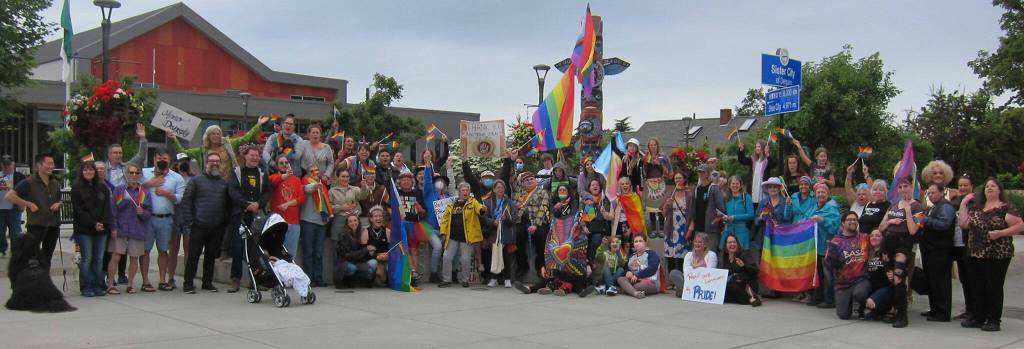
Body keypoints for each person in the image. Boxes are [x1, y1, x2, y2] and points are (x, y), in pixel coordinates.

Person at [958, 178, 1023, 332]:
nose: (990, 188)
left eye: (993, 186)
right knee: (977, 286)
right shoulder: (977, 207)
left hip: (997, 254)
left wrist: (1001, 233)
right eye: (987, 186)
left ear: (999, 190)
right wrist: (963, 204)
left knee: (993, 286)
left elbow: (1020, 224)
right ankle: (978, 317)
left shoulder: (1004, 208)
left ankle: (993, 319)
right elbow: (964, 224)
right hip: (975, 253)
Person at [180, 152, 233, 294]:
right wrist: (190, 221)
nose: (215, 163)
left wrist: (224, 222)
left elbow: (227, 205)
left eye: (217, 161)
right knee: (193, 256)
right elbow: (186, 201)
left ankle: (207, 282)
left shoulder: (224, 183)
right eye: (212, 161)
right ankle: (188, 283)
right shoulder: (196, 181)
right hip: (198, 226)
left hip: (216, 227)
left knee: (210, 257)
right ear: (206, 163)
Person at [877, 177, 925, 327]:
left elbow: (913, 230)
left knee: (899, 277)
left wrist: (908, 210)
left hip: (904, 244)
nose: (903, 189)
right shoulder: (893, 205)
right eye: (900, 187)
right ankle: (893, 310)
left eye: (906, 186)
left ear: (912, 188)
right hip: (888, 244)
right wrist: (890, 222)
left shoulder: (919, 207)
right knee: (890, 277)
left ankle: (902, 316)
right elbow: (881, 227)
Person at [139, 148, 186, 293]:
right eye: (159, 158)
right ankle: (146, 281)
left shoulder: (177, 178)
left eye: (164, 158)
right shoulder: (144, 173)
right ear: (154, 159)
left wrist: (165, 193)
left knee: (163, 250)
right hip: (148, 218)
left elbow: (180, 199)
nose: (161, 161)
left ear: (169, 160)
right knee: (145, 251)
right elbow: (134, 186)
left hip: (166, 219)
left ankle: (162, 280)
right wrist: (150, 184)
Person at [226, 145, 271, 292]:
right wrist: (246, 204)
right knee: (238, 248)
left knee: (256, 250)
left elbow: (267, 192)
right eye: (252, 155)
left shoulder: (263, 173)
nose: (255, 158)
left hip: (256, 216)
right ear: (245, 156)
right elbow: (232, 191)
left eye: (257, 155)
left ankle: (256, 280)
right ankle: (235, 279)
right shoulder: (236, 172)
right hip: (240, 215)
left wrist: (258, 203)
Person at [5, 153, 62, 270]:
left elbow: (59, 200)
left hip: (53, 224)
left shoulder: (55, 182)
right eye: (49, 163)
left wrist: (59, 204)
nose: (52, 166)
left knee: (47, 256)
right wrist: (28, 204)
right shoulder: (29, 181)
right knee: (32, 256)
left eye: (53, 163)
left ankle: (44, 282)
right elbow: (10, 196)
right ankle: (30, 282)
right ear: (39, 165)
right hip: (36, 224)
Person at [172, 115, 269, 177]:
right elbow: (183, 152)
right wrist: (174, 139)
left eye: (218, 133)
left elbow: (245, 138)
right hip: (210, 183)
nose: (216, 135)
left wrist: (258, 125)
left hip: (228, 182)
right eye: (213, 133)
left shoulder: (229, 144)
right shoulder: (201, 150)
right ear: (208, 136)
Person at [107, 163, 152, 294]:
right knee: (116, 256)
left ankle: (130, 284)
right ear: (127, 175)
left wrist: (142, 212)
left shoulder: (145, 193)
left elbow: (149, 213)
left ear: (140, 175)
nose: (133, 175)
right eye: (131, 173)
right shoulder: (120, 190)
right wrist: (113, 227)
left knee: (134, 257)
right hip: (120, 229)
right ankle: (110, 284)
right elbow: (113, 210)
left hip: (137, 229)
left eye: (136, 173)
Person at [71, 161, 112, 297]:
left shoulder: (102, 188)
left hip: (102, 229)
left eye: (91, 170)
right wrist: (93, 223)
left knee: (99, 258)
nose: (88, 172)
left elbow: (107, 208)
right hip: (85, 230)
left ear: (95, 172)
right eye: (85, 170)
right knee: (87, 258)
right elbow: (79, 211)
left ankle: (97, 285)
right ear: (81, 173)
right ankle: (86, 286)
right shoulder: (76, 189)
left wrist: (103, 223)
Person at [920, 184, 957, 322]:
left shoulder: (946, 206)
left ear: (942, 192)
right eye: (929, 193)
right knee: (932, 281)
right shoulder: (934, 207)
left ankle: (942, 312)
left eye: (933, 193)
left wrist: (925, 220)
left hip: (940, 251)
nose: (930, 195)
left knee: (940, 282)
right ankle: (935, 309)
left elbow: (944, 225)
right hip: (930, 249)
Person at [824, 212, 871, 320]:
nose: (853, 221)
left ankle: (862, 307)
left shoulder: (864, 238)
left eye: (855, 219)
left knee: (860, 293)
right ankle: (849, 303)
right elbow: (828, 266)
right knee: (843, 315)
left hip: (861, 280)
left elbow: (879, 242)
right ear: (843, 223)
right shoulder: (836, 242)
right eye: (849, 219)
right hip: (843, 284)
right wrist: (830, 253)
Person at [439, 182, 486, 288]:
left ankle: (465, 280)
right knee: (446, 257)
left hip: (466, 236)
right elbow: (445, 220)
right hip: (452, 236)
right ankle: (446, 280)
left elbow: (479, 208)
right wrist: (443, 232)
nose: (465, 192)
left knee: (465, 259)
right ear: (459, 192)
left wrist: (482, 209)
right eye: (463, 190)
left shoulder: (473, 202)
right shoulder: (451, 204)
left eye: (467, 190)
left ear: (469, 192)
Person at [807, 182, 841, 309]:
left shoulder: (832, 208)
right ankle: (818, 296)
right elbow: (807, 220)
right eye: (818, 192)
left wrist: (823, 220)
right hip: (815, 246)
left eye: (823, 192)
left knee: (828, 275)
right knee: (819, 274)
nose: (820, 194)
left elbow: (834, 228)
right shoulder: (814, 206)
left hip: (827, 246)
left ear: (828, 194)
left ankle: (830, 299)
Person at [394, 170, 431, 285]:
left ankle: (413, 273)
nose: (406, 182)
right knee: (402, 250)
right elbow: (390, 208)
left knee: (413, 250)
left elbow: (424, 211)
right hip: (400, 226)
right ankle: (403, 273)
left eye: (408, 180)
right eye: (403, 180)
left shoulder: (417, 193)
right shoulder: (396, 193)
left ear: (412, 182)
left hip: (413, 225)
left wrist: (421, 209)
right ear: (400, 182)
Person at [514, 172, 551, 282]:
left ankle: (540, 268)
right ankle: (522, 266)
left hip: (538, 222)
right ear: (523, 184)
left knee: (540, 237)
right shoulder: (520, 194)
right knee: (516, 235)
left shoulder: (543, 192)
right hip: (522, 221)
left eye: (531, 179)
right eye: (526, 180)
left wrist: (535, 224)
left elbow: (543, 209)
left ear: (535, 181)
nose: (529, 181)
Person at [299, 163, 332, 287]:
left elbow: (326, 203)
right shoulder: (305, 181)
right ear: (307, 172)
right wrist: (315, 185)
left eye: (317, 171)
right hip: (308, 220)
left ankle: (318, 277)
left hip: (321, 222)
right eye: (312, 170)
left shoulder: (322, 185)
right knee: (308, 252)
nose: (315, 173)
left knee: (319, 252)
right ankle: (308, 278)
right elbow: (307, 189)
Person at [480, 179, 517, 288]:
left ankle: (507, 279)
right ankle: (494, 278)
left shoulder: (509, 202)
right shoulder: (487, 202)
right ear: (494, 190)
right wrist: (493, 222)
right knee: (494, 255)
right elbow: (483, 217)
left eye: (502, 187)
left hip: (506, 230)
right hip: (494, 231)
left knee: (507, 255)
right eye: (498, 187)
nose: (500, 189)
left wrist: (507, 217)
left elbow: (514, 217)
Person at [166, 154, 193, 290]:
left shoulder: (193, 178)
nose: (184, 163)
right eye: (181, 161)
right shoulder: (172, 178)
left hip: (188, 217)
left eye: (186, 161)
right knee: (174, 249)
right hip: (175, 216)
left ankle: (188, 278)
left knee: (189, 249)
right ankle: (170, 277)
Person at [269, 155, 305, 256]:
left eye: (286, 162)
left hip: (293, 223)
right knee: (276, 255)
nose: (284, 165)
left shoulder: (296, 179)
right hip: (277, 222)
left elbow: (301, 199)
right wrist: (285, 176)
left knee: (290, 255)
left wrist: (287, 204)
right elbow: (274, 182)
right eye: (281, 163)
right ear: (277, 166)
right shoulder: (273, 177)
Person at [951, 174, 975, 321]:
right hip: (957, 245)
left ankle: (975, 310)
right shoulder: (955, 202)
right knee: (964, 279)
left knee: (972, 279)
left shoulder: (976, 202)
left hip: (970, 246)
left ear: (971, 186)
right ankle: (969, 308)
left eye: (965, 185)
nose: (962, 187)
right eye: (960, 185)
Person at [755, 177, 792, 264]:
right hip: (764, 238)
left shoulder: (785, 202)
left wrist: (788, 206)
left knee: (778, 263)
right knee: (764, 263)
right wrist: (760, 218)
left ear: (779, 188)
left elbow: (788, 220)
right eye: (770, 187)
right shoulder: (763, 202)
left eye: (775, 187)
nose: (772, 189)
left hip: (779, 239)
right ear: (767, 189)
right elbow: (755, 221)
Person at [661, 172, 693, 275]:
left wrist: (690, 229)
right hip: (670, 227)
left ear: (684, 179)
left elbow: (693, 213)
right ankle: (671, 280)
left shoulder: (689, 194)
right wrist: (667, 205)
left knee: (682, 254)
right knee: (670, 254)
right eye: (676, 178)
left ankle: (680, 278)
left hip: (683, 227)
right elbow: (664, 214)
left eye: (680, 178)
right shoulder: (670, 193)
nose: (677, 180)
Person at [689, 166, 725, 253]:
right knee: (697, 255)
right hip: (698, 229)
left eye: (703, 172)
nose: (700, 174)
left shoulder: (714, 188)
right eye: (699, 172)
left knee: (710, 255)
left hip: (711, 230)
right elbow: (693, 208)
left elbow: (721, 209)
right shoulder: (697, 189)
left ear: (708, 173)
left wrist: (714, 222)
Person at [333, 214, 375, 288]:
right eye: (350, 221)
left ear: (358, 221)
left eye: (355, 220)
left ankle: (364, 282)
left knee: (372, 265)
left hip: (357, 261)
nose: (353, 223)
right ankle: (343, 282)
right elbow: (346, 255)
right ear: (347, 223)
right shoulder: (343, 234)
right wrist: (365, 249)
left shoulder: (361, 233)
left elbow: (363, 252)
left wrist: (371, 252)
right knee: (352, 268)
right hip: (344, 263)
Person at [719, 234, 761, 306]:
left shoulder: (744, 254)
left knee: (731, 285)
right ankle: (745, 299)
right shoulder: (724, 257)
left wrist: (744, 266)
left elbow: (756, 271)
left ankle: (750, 298)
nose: (732, 244)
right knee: (723, 293)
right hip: (732, 286)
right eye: (729, 242)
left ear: (737, 243)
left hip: (747, 285)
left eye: (734, 242)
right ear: (725, 245)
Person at [616, 234, 660, 299]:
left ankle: (624, 290)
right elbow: (625, 268)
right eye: (636, 241)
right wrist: (627, 272)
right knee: (620, 279)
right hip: (634, 280)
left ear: (645, 243)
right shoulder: (632, 256)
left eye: (640, 241)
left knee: (637, 287)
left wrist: (637, 275)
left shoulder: (652, 254)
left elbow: (652, 269)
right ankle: (635, 293)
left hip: (651, 281)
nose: (638, 243)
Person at [642, 138, 672, 236]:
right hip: (650, 184)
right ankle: (654, 229)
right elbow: (644, 172)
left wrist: (660, 164)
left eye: (654, 145)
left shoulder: (663, 157)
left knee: (660, 207)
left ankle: (662, 229)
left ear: (657, 146)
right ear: (648, 147)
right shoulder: (646, 157)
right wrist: (648, 162)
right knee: (651, 208)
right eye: (651, 145)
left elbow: (669, 173)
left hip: (660, 183)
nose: (653, 147)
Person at [106, 124, 148, 188]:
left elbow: (141, 156)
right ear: (109, 155)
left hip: (124, 197)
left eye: (120, 153)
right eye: (115, 153)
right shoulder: (102, 169)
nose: (118, 155)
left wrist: (142, 138)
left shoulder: (127, 166)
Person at [0, 155, 26, 257]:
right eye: (4, 164)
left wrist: (23, 203)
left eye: (9, 164)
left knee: (16, 232)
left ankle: (16, 251)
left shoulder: (20, 177)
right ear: (1, 165)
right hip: (1, 209)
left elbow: (25, 191)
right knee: (0, 232)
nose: (7, 166)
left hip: (14, 209)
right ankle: (2, 248)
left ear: (13, 164)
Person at [863, 229, 892, 321]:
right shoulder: (866, 253)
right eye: (872, 236)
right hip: (872, 287)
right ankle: (879, 311)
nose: (874, 238)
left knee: (871, 302)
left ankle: (888, 308)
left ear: (883, 238)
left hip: (886, 287)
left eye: (878, 236)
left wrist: (893, 272)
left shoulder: (887, 252)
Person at [721, 176, 755, 250]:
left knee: (741, 255)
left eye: (737, 183)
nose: (735, 185)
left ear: (740, 185)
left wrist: (734, 217)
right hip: (728, 231)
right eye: (733, 183)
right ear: (729, 185)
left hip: (742, 232)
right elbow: (724, 214)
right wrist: (724, 217)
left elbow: (751, 215)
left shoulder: (746, 197)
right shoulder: (727, 198)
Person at [582, 179, 610, 261]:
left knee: (596, 239)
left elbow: (604, 216)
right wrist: (584, 227)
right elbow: (582, 217)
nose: (595, 186)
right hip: (588, 227)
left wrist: (597, 207)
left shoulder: (605, 200)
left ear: (600, 187)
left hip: (600, 228)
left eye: (597, 185)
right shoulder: (585, 200)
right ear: (589, 188)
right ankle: (584, 262)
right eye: (593, 185)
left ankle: (590, 262)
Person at [365, 206, 390, 284]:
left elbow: (392, 249)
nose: (378, 218)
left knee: (392, 265)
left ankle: (388, 280)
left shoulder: (388, 231)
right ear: (371, 219)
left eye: (380, 216)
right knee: (373, 263)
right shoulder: (365, 232)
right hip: (372, 259)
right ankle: (369, 280)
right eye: (376, 216)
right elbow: (362, 252)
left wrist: (388, 255)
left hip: (385, 258)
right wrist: (376, 256)